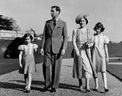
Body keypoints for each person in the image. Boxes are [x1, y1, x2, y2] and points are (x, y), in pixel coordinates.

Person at [40, 6, 68, 92]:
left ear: (58, 12)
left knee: (56, 68)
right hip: (47, 48)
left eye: (52, 11)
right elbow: (44, 36)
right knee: (46, 66)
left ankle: (54, 86)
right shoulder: (47, 23)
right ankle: (47, 85)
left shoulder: (63, 23)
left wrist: (63, 48)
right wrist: (42, 47)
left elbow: (66, 37)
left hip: (58, 49)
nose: (50, 13)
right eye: (50, 11)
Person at [72, 14, 94, 92]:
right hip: (78, 51)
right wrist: (76, 50)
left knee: (87, 68)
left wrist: (90, 44)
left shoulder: (90, 30)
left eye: (83, 21)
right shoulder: (75, 30)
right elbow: (74, 41)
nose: (82, 22)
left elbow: (92, 41)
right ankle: (80, 84)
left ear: (86, 22)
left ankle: (87, 86)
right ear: (79, 22)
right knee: (79, 68)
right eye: (81, 21)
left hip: (86, 51)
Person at [92, 22, 109, 92]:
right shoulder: (93, 37)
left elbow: (105, 47)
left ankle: (105, 86)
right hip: (95, 54)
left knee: (103, 71)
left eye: (99, 28)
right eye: (97, 28)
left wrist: (107, 57)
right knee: (95, 70)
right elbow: (91, 45)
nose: (98, 29)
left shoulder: (104, 37)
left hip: (102, 54)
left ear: (101, 28)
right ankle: (96, 86)